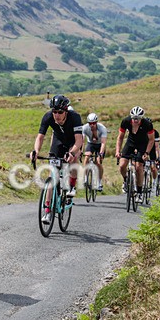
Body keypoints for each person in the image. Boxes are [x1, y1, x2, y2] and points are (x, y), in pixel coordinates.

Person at [30, 94, 83, 225]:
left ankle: (71, 185)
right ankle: (48, 211)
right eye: (54, 112)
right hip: (58, 142)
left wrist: (72, 152)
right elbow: (40, 137)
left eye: (60, 112)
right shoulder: (48, 117)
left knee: (74, 159)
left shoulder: (75, 117)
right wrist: (36, 151)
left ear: (66, 111)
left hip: (73, 142)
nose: (56, 115)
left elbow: (79, 140)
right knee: (52, 175)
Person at [115, 106, 155, 202]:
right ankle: (125, 181)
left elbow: (151, 140)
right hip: (130, 143)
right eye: (134, 118)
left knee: (138, 167)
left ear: (141, 118)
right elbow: (120, 137)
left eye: (138, 118)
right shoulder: (125, 121)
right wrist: (117, 151)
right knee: (122, 165)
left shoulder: (147, 124)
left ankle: (140, 192)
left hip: (142, 144)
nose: (135, 120)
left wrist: (146, 153)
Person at [81, 112, 107, 192]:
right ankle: (85, 178)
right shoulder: (85, 128)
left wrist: (101, 153)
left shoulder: (102, 128)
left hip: (100, 145)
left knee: (98, 162)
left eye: (94, 123)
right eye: (90, 123)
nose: (92, 125)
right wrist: (81, 151)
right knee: (86, 158)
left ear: (96, 122)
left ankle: (99, 182)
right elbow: (82, 140)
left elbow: (103, 143)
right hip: (91, 144)